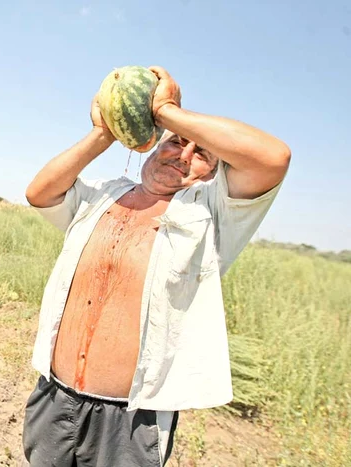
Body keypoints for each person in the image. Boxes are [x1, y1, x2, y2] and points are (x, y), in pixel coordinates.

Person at [22, 66, 291, 467]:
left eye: (201, 153)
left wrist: (163, 110)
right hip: (56, 395)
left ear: (213, 174)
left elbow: (274, 158)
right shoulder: (101, 195)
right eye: (177, 142)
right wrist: (105, 133)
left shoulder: (210, 215)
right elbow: (38, 193)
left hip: (131, 420)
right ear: (153, 144)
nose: (183, 155)